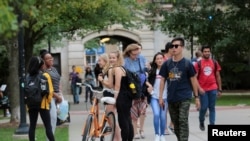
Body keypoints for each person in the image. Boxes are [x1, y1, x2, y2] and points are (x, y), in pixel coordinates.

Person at [159, 37, 200, 141]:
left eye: (176, 46)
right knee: (176, 123)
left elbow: (193, 80)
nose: (174, 48)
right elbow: (162, 80)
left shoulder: (187, 63)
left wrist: (196, 97)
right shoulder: (167, 64)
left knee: (183, 120)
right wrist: (160, 97)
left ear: (182, 48)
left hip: (184, 97)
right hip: (172, 98)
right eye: (172, 46)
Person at [123, 43, 153, 139]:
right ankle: (135, 131)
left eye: (137, 54)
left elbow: (147, 71)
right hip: (132, 89)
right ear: (129, 53)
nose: (136, 56)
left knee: (143, 110)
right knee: (133, 112)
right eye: (134, 54)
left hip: (142, 88)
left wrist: (148, 68)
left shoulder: (141, 58)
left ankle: (142, 129)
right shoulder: (125, 61)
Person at [26, 56, 55, 141]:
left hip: (31, 104)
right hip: (43, 104)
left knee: (32, 126)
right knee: (48, 127)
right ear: (40, 66)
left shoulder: (27, 77)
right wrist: (48, 102)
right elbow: (50, 92)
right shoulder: (45, 75)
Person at [194, 45, 222, 131]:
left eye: (208, 51)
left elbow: (218, 76)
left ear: (210, 52)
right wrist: (199, 88)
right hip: (203, 89)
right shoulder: (198, 64)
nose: (207, 53)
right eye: (205, 51)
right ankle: (201, 121)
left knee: (212, 107)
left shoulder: (214, 62)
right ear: (202, 52)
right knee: (204, 107)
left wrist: (220, 89)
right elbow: (194, 78)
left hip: (213, 87)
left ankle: (212, 125)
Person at [111, 50, 134, 141]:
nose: (111, 59)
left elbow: (117, 86)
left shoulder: (117, 69)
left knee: (123, 122)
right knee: (128, 120)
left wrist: (114, 99)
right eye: (110, 58)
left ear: (118, 58)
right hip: (127, 97)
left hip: (122, 97)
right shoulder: (122, 68)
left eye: (113, 58)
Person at [40, 50, 62, 141]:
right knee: (52, 120)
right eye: (47, 58)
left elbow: (58, 80)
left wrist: (60, 93)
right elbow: (47, 88)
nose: (50, 59)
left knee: (56, 119)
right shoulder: (43, 72)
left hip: (58, 96)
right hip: (50, 98)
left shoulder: (54, 69)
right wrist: (57, 96)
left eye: (51, 58)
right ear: (43, 60)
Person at [147, 52, 167, 141]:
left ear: (163, 59)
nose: (159, 60)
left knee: (163, 117)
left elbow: (174, 80)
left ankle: (162, 134)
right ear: (155, 61)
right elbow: (145, 80)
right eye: (157, 59)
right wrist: (149, 86)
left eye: (161, 58)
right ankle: (157, 134)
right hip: (154, 97)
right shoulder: (152, 71)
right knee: (156, 114)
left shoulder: (168, 70)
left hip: (165, 97)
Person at [163, 42, 174, 134]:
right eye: (172, 47)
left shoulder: (175, 59)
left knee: (173, 108)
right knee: (165, 108)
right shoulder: (163, 59)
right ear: (168, 49)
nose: (174, 49)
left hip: (174, 86)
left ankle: (172, 124)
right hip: (164, 86)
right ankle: (165, 127)